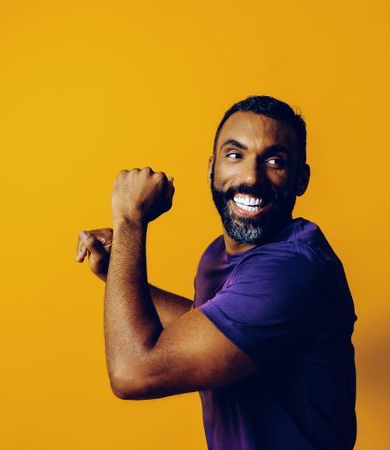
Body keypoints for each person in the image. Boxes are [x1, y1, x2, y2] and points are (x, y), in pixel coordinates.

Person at [76, 96, 357, 450]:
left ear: (300, 179)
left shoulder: (293, 270)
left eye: (274, 161)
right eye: (235, 156)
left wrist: (130, 220)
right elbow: (208, 330)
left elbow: (133, 373)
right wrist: (116, 268)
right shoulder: (219, 256)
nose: (251, 177)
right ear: (212, 169)